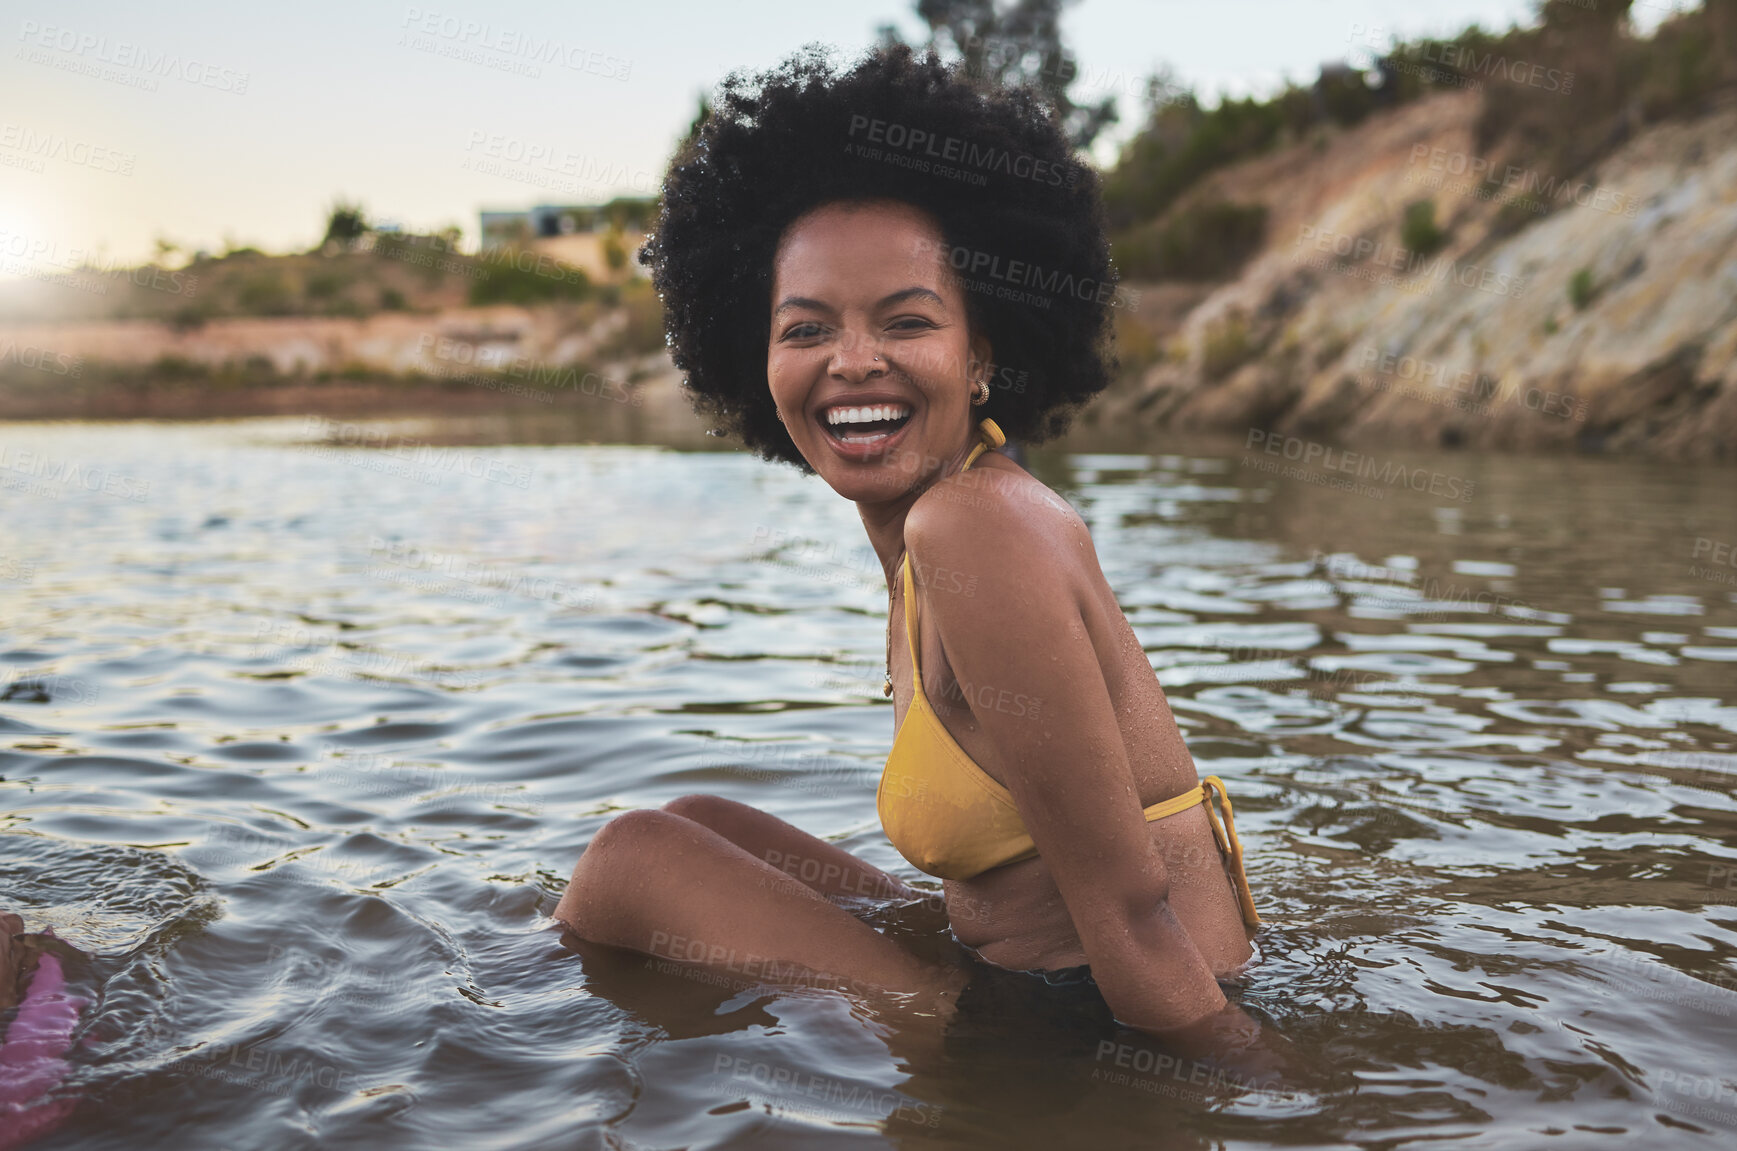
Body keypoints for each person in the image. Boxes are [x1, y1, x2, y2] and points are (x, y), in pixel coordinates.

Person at [555, 41, 1285, 1073]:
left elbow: (1132, 909)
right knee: (696, 820)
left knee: (629, 861)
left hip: (1088, 1028)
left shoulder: (973, 530)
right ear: (754, 356)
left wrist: (1275, 1098)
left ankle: (473, 1032)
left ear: (982, 352)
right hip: (1022, 979)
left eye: (907, 320)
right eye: (807, 327)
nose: (853, 360)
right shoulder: (937, 519)